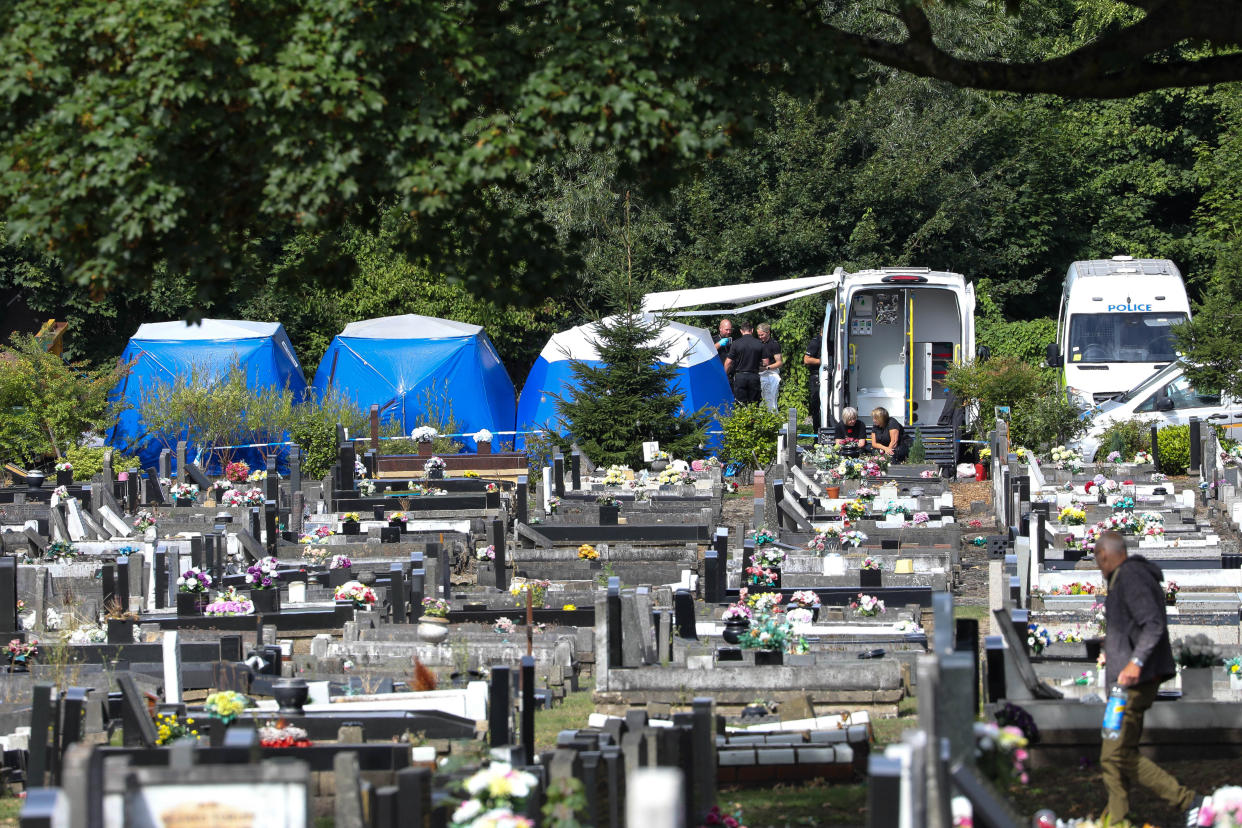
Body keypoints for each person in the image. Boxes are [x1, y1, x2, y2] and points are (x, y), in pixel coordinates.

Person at [1093, 531, 1202, 824]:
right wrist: (1113, 650)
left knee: (1116, 755)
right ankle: (1118, 820)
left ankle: (1189, 801)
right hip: (1124, 686)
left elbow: (1153, 624)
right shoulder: (1126, 578)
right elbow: (1132, 627)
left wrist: (1134, 663)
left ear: (1104, 555)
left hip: (1132, 685)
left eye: (1096, 559)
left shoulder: (1131, 577)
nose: (1098, 566)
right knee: (1115, 755)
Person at [723, 320, 764, 404]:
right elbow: (766, 362)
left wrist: (725, 375)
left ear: (741, 331)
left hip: (740, 376)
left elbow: (728, 362)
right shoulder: (759, 343)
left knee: (740, 403)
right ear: (752, 330)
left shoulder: (735, 343)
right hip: (754, 376)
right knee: (754, 404)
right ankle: (753, 417)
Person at [803, 332, 827, 431]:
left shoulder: (829, 340)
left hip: (827, 376)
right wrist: (823, 361)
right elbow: (806, 360)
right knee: (817, 405)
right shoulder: (816, 341)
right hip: (816, 376)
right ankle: (817, 435)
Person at [756, 323, 782, 411]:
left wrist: (767, 368)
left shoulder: (774, 344)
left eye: (762, 335)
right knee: (761, 399)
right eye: (758, 335)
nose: (760, 337)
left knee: (771, 398)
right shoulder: (758, 343)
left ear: (768, 332)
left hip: (771, 373)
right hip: (759, 374)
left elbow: (779, 363)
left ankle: (773, 418)